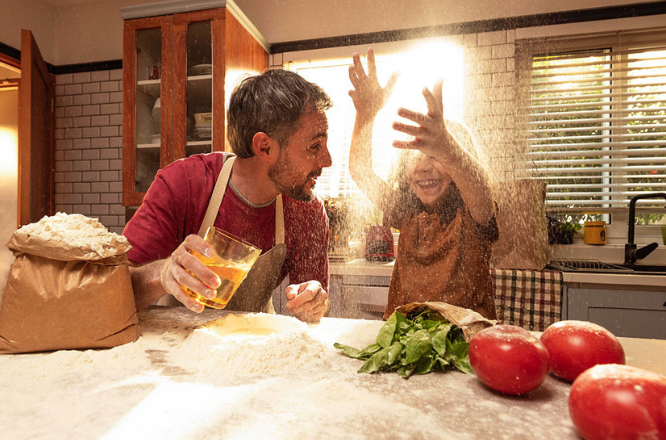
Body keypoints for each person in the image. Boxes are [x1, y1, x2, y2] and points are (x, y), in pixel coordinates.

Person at [123, 69, 332, 323]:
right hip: (180, 345)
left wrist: (312, 302)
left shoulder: (306, 209)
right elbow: (112, 291)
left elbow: (313, 305)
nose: (327, 160)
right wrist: (162, 273)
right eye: (314, 147)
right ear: (264, 146)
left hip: (252, 344)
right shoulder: (183, 184)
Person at [347, 49, 499, 320]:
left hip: (464, 346)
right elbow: (361, 171)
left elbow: (481, 190)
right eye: (414, 157)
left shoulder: (473, 216)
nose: (423, 167)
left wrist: (448, 149)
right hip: (405, 344)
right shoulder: (407, 213)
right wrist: (366, 114)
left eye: (435, 156)